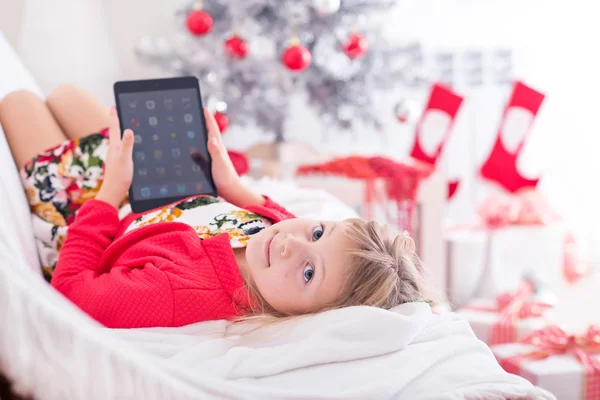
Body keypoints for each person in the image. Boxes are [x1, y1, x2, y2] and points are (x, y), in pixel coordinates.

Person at [0, 85, 428, 329]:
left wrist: (109, 195)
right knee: (67, 96)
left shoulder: (178, 294)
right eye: (318, 232)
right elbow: (277, 215)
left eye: (308, 272)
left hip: (89, 222)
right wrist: (234, 186)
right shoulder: (278, 239)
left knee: (19, 103)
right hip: (151, 197)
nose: (289, 245)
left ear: (314, 317)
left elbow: (72, 294)